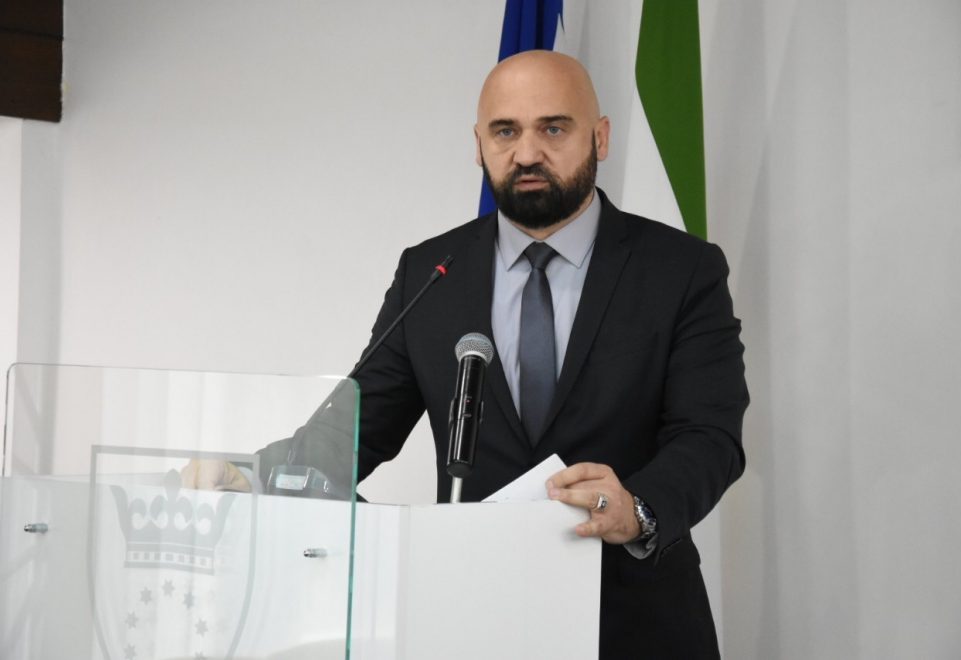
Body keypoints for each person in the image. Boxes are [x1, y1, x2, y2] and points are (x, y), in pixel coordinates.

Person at [188, 50, 747, 658]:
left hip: (638, 623)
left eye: (553, 128)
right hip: (474, 618)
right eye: (505, 131)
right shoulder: (431, 272)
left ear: (601, 137)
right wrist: (254, 474)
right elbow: (358, 425)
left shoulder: (682, 269)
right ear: (479, 145)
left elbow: (709, 435)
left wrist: (637, 508)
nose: (526, 153)